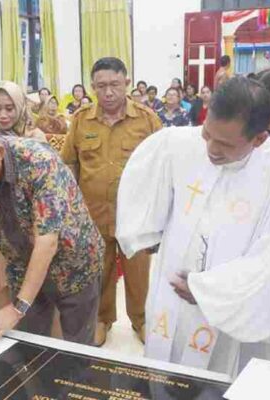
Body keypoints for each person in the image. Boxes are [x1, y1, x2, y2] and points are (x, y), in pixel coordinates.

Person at [117, 77, 270, 377]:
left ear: (258, 139)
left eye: (225, 144)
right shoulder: (179, 143)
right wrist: (141, 231)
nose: (211, 150)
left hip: (230, 310)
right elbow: (140, 189)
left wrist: (208, 290)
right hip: (172, 298)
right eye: (208, 135)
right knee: (164, 377)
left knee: (222, 382)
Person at [0, 114, 103, 345]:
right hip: (23, 267)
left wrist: (18, 308)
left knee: (77, 347)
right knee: (28, 343)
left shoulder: (39, 162)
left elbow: (47, 242)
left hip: (75, 266)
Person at [61, 57, 162, 346]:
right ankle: (102, 319)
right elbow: (69, 164)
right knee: (99, 270)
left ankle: (141, 319)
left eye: (114, 85)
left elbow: (162, 166)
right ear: (92, 87)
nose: (108, 92)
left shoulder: (146, 119)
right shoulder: (81, 120)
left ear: (126, 83)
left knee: (138, 270)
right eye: (101, 86)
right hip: (93, 214)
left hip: (136, 216)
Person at [0, 81, 48, 318]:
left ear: (21, 107)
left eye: (9, 108)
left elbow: (47, 191)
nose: (3, 115)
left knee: (35, 284)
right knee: (3, 285)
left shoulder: (36, 138)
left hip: (32, 227)